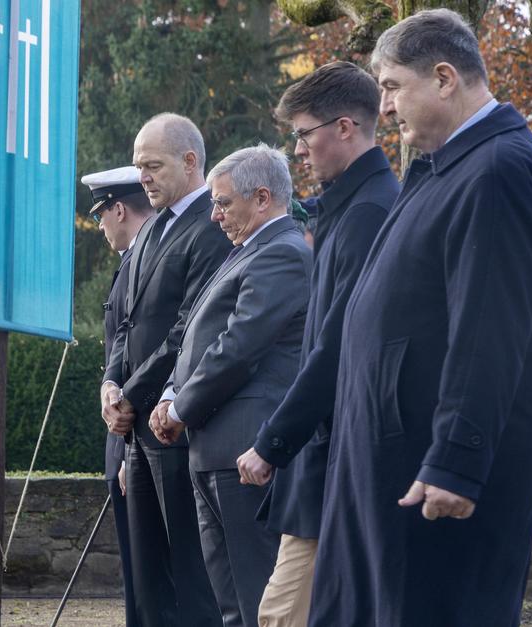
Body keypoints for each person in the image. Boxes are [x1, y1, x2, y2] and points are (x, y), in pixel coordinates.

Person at [308, 9, 532, 626]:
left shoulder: (498, 170)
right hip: (392, 469)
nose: (386, 108)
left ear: (444, 77)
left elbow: (489, 331)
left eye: (393, 87)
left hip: (431, 485)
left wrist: (456, 460)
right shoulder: (447, 168)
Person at [232, 61, 398, 627]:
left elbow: (337, 346)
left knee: (281, 616)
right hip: (326, 453)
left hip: (338, 454)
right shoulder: (352, 207)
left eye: (304, 134)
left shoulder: (369, 213)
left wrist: (273, 443)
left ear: (345, 128)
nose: (297, 150)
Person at [148, 144, 311, 627]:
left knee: (258, 598)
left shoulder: (282, 252)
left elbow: (239, 346)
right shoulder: (248, 251)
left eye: (223, 203)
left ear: (262, 198)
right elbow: (200, 336)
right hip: (214, 448)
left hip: (245, 450)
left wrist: (180, 408)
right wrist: (170, 393)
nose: (215, 215)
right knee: (232, 605)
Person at [101, 112, 230, 627]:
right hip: (137, 430)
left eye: (152, 165)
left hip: (176, 428)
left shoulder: (212, 228)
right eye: (138, 166)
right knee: (148, 576)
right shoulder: (152, 228)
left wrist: (131, 394)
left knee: (190, 576)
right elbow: (126, 322)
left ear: (190, 161)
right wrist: (112, 383)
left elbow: (189, 327)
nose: (143, 177)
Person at [80, 164, 154, 627]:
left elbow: (146, 356)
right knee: (138, 580)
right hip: (128, 439)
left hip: (140, 440)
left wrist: (130, 452)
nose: (102, 224)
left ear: (119, 209)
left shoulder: (142, 264)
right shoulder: (133, 263)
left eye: (101, 214)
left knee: (148, 579)